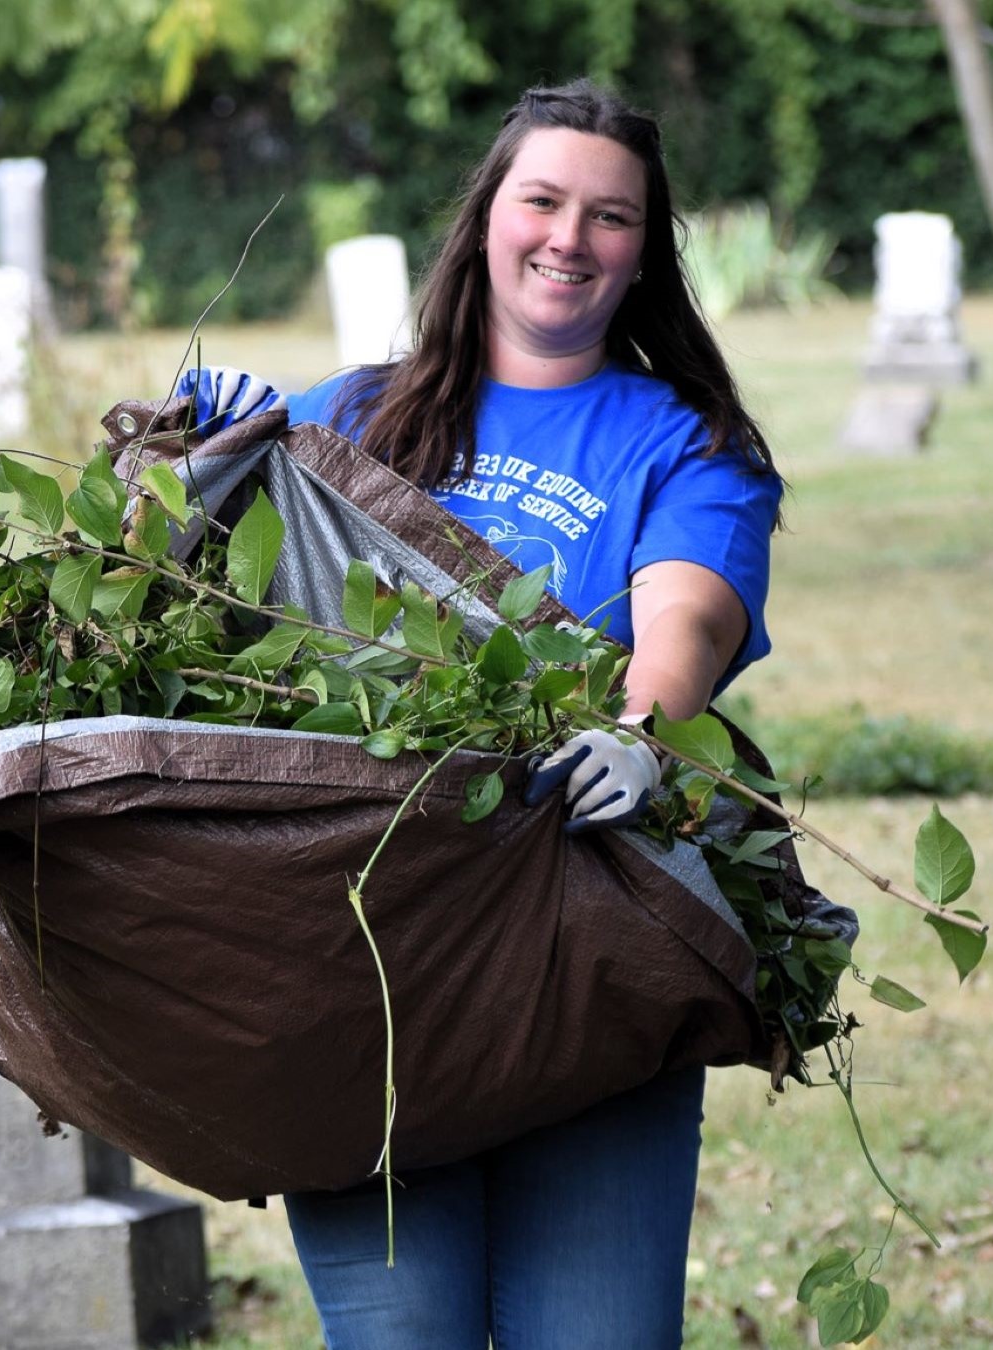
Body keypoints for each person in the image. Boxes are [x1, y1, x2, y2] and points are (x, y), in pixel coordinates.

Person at [180, 78, 784, 1347]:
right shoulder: (350, 418)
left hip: (587, 964)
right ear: (488, 218)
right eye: (544, 200)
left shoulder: (690, 445)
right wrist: (202, 474)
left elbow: (689, 620)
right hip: (368, 974)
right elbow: (212, 626)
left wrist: (641, 724)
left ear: (642, 256)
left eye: (610, 217)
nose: (570, 237)